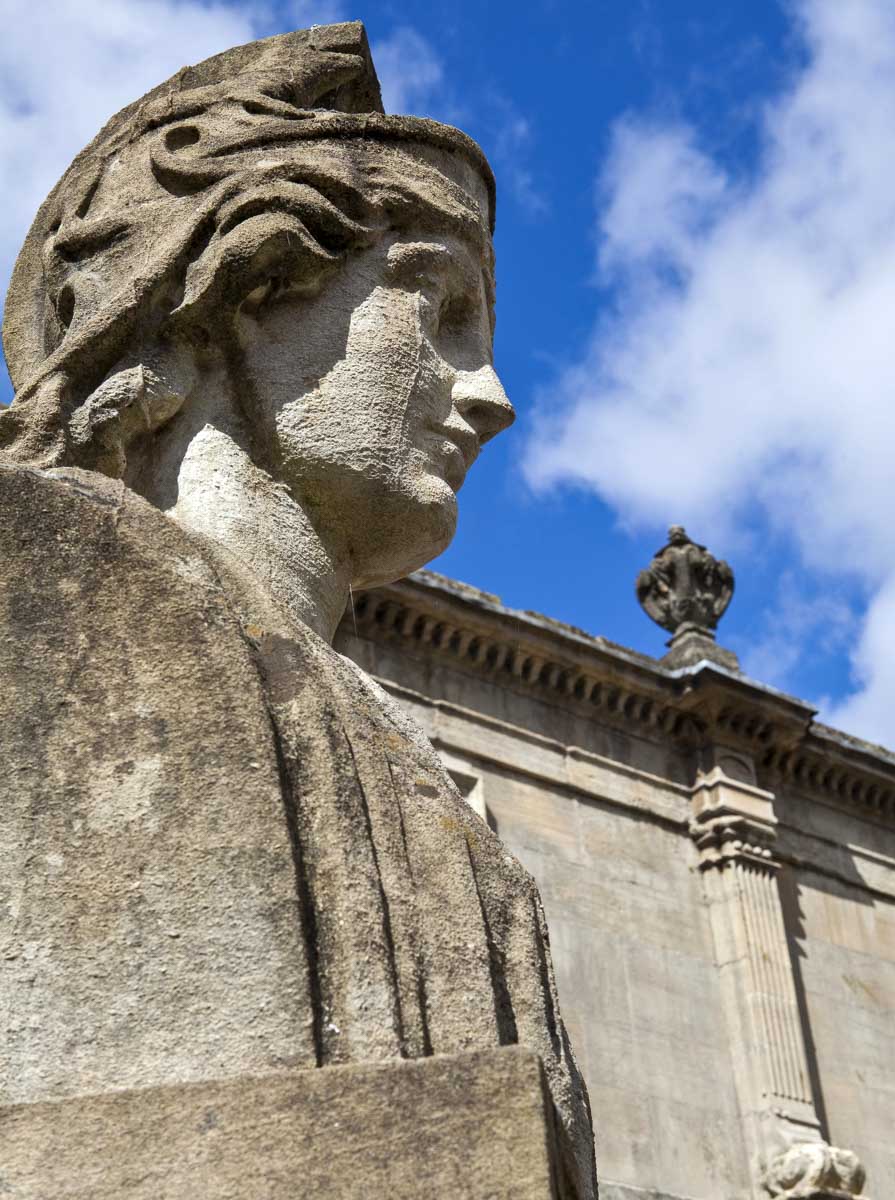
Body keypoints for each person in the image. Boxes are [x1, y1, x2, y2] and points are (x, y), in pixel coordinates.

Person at [0, 22, 596, 1197]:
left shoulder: (354, 707)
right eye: (439, 309)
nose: (494, 397)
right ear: (246, 293)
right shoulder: (78, 602)